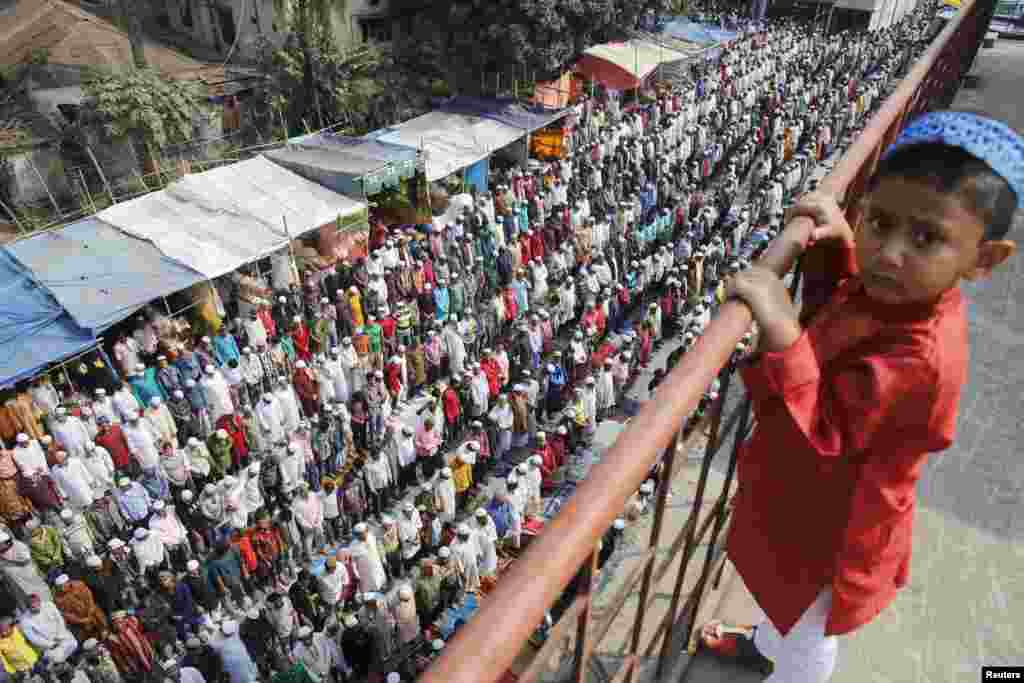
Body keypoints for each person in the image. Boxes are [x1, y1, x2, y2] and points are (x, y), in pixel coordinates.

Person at [701, 112, 1020, 682]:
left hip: (836, 528)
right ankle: (763, 643)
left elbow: (825, 429)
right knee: (786, 610)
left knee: (807, 632)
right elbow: (856, 308)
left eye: (926, 238)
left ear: (984, 260)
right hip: (813, 506)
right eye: (878, 222)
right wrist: (838, 247)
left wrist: (779, 325)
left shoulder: (923, 354)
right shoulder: (907, 295)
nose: (889, 253)